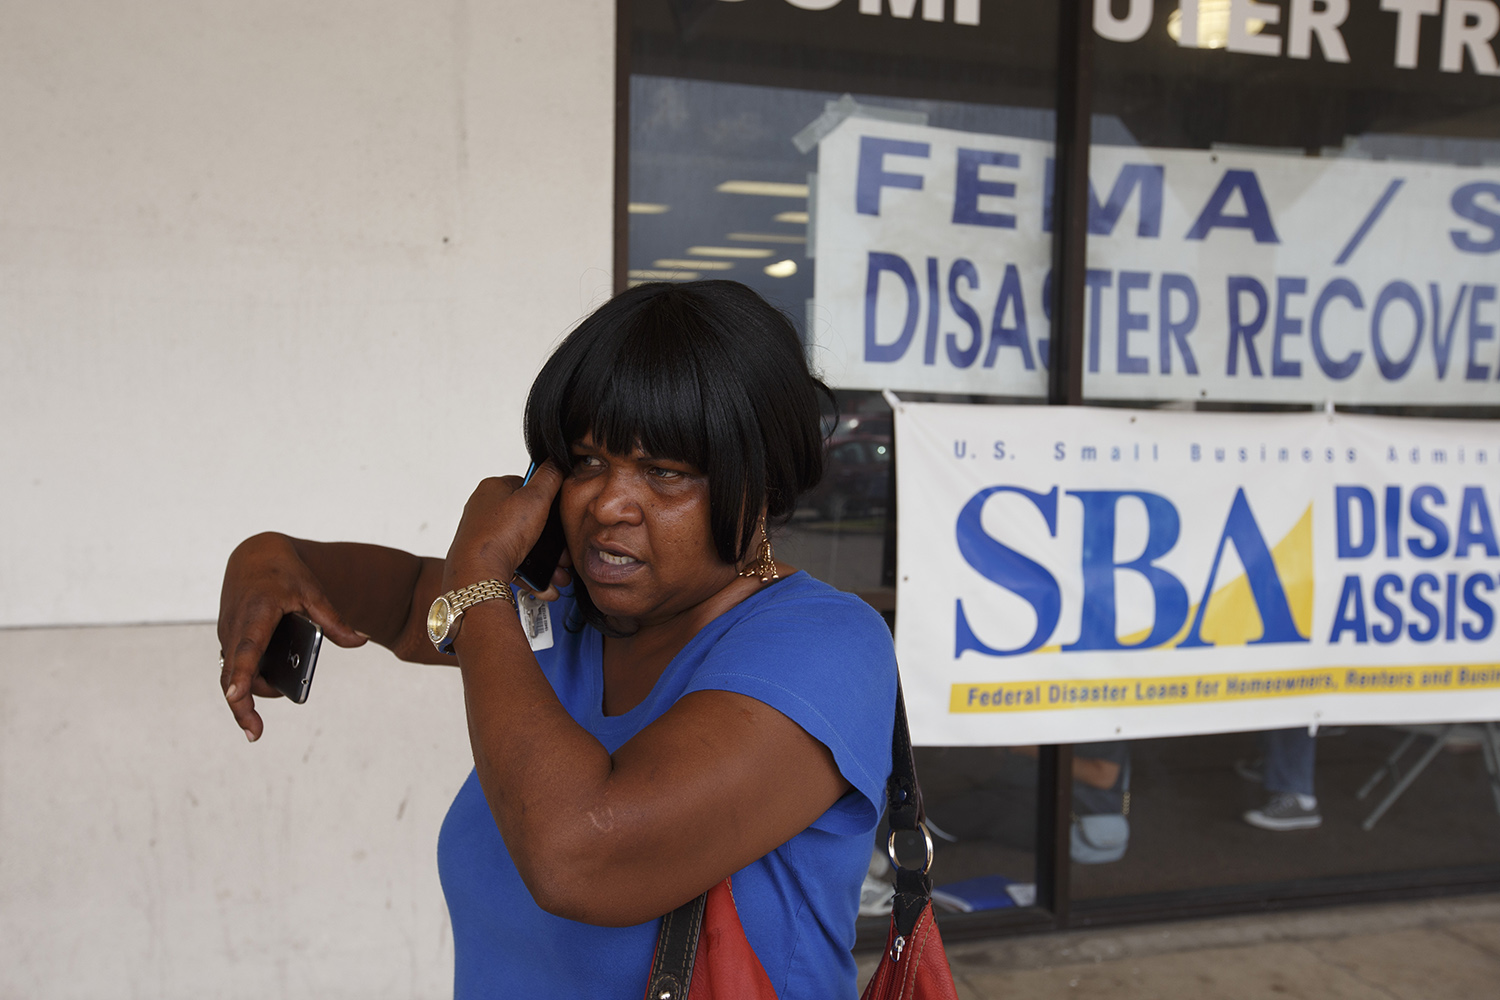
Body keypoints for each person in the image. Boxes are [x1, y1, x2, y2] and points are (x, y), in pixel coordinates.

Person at [215, 280, 898, 998]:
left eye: (665, 473)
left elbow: (580, 854)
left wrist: (480, 572)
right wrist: (269, 559)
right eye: (586, 461)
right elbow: (408, 601)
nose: (609, 504)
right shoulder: (564, 617)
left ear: (760, 483)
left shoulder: (826, 645)